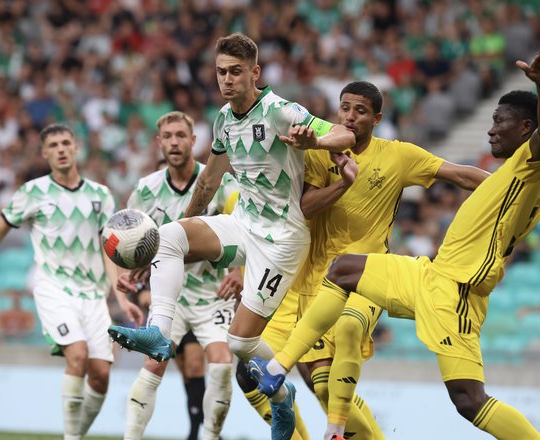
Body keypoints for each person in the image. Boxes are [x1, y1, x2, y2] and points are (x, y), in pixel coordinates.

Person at [248, 44, 540, 440]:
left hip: (457, 293)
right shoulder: (526, 178)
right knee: (344, 270)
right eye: (491, 120)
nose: (491, 129)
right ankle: (279, 370)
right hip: (430, 275)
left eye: (500, 121)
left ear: (526, 130)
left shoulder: (532, 161)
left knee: (468, 401)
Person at [108, 32, 355, 440]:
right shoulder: (224, 119)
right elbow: (207, 183)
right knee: (167, 236)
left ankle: (281, 396)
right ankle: (158, 332)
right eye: (221, 72)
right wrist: (184, 232)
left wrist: (318, 140)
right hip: (243, 224)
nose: (227, 79)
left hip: (282, 239)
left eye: (236, 72)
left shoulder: (279, 110)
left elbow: (344, 135)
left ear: (254, 73)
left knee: (241, 343)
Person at [238, 80, 490, 438]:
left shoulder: (398, 156)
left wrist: (516, 189)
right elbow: (304, 209)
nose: (350, 117)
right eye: (345, 109)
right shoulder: (317, 150)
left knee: (350, 327)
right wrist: (342, 183)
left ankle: (334, 431)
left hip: (368, 274)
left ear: (377, 118)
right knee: (309, 384)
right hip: (312, 282)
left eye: (360, 111)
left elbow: (461, 174)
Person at [0, 123, 143, 440]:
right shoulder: (32, 192)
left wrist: (120, 298)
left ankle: (75, 434)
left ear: (76, 148)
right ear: (45, 153)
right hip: (54, 289)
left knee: (101, 377)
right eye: (54, 145)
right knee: (77, 355)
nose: (61, 149)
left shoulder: (101, 195)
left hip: (93, 295)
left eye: (66, 142)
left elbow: (108, 250)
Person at [118, 111, 241, 440]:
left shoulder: (221, 182)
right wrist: (126, 275)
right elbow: (126, 240)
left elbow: (247, 229)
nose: (174, 141)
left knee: (220, 364)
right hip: (168, 298)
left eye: (180, 135)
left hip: (212, 295)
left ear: (193, 140)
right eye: (168, 136)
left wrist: (241, 270)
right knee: (154, 363)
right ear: (159, 143)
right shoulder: (146, 190)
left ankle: (211, 436)